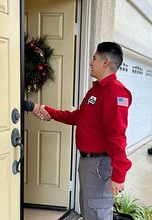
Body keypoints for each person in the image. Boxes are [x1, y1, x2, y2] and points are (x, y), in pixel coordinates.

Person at [32, 42, 132, 220]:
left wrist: (119, 174)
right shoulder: (96, 90)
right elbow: (79, 117)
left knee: (98, 212)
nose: (91, 62)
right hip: (88, 163)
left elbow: (117, 135)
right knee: (88, 210)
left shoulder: (115, 92)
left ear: (105, 62)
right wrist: (48, 111)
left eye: (94, 58)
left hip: (100, 164)